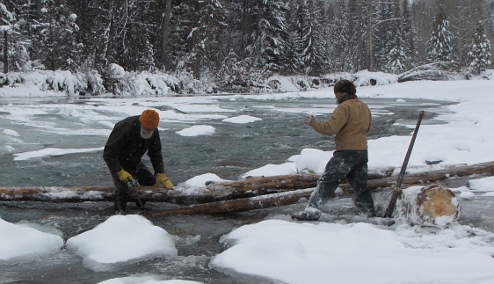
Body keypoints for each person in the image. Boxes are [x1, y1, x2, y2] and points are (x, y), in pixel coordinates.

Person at [293, 80, 376, 221]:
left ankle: (312, 210)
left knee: (327, 181)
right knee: (360, 185)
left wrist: (314, 122)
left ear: (340, 93)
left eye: (336, 94)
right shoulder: (364, 107)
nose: (335, 97)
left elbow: (330, 129)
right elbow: (368, 128)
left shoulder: (344, 107)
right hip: (362, 151)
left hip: (346, 152)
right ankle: (369, 213)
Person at [103, 109, 174, 212]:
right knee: (123, 189)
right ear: (141, 123)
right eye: (146, 129)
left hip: (134, 160)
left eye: (151, 130)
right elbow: (108, 154)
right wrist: (119, 171)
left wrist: (160, 173)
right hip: (118, 160)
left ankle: (140, 210)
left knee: (150, 181)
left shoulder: (154, 131)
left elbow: (155, 153)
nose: (148, 131)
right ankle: (118, 215)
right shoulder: (125, 128)